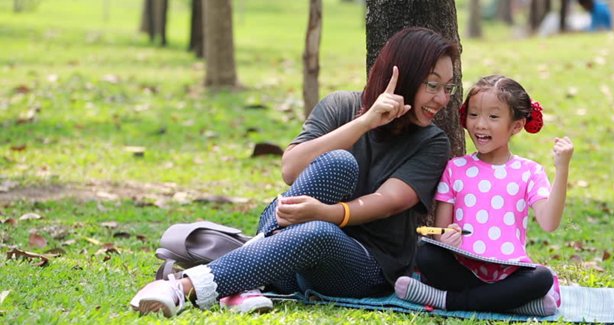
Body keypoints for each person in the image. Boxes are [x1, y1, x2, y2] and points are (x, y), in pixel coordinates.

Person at [129, 26, 458, 317]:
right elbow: (291, 168)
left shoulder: (432, 142)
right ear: (405, 76)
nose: (442, 99)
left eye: (448, 88)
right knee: (338, 163)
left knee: (319, 232)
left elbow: (390, 200)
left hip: (364, 266)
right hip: (288, 256)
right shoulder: (340, 106)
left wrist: (327, 213)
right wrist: (365, 123)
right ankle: (246, 279)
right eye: (432, 85)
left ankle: (181, 287)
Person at [394, 75, 574, 316]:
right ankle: (513, 303)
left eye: (493, 117)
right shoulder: (454, 168)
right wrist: (446, 238)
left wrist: (562, 169)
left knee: (541, 278)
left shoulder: (529, 171)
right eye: (474, 114)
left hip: (509, 272)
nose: (480, 125)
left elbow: (550, 223)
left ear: (516, 126)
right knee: (426, 254)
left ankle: (448, 301)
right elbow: (441, 231)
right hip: (462, 268)